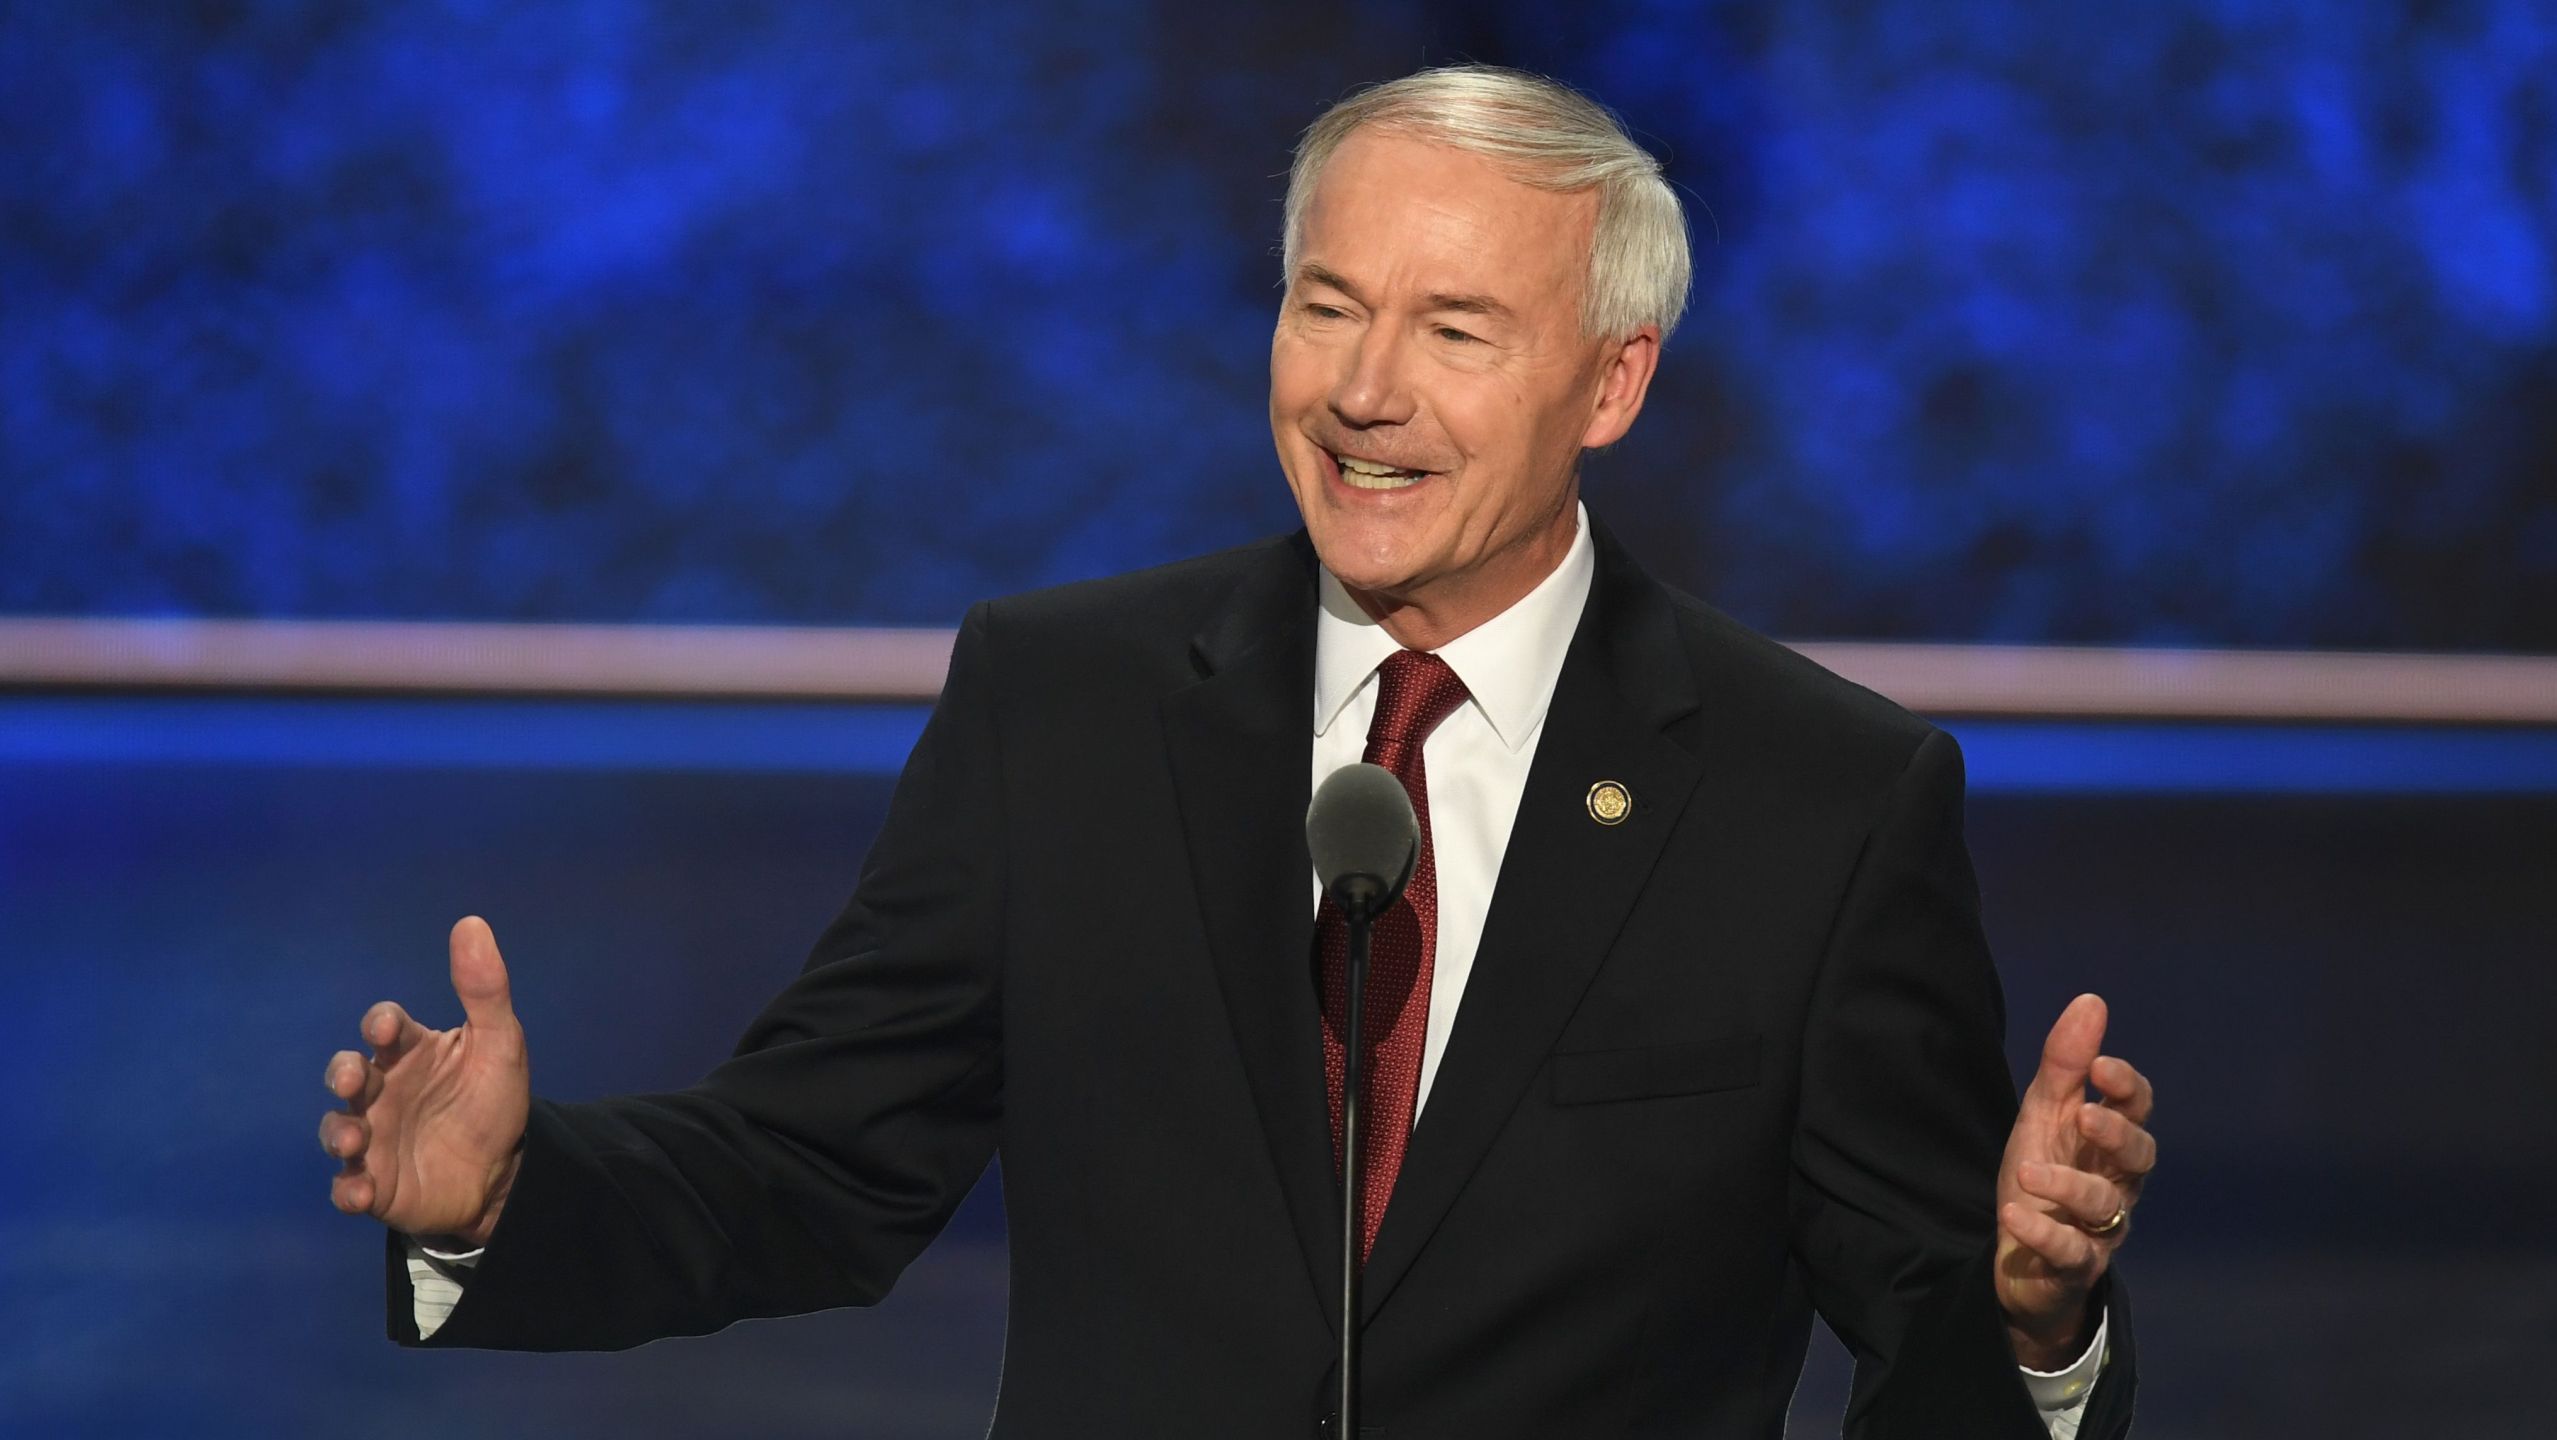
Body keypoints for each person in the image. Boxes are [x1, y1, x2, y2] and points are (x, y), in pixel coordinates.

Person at [319, 65, 2154, 1437]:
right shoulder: (1068, 706)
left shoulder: (1816, 799)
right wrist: (508, 1198)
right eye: (1327, 306)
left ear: (1612, 381)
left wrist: (2034, 1318)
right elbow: (812, 1167)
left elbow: (1934, 1332)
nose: (1364, 392)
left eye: (1455, 329)